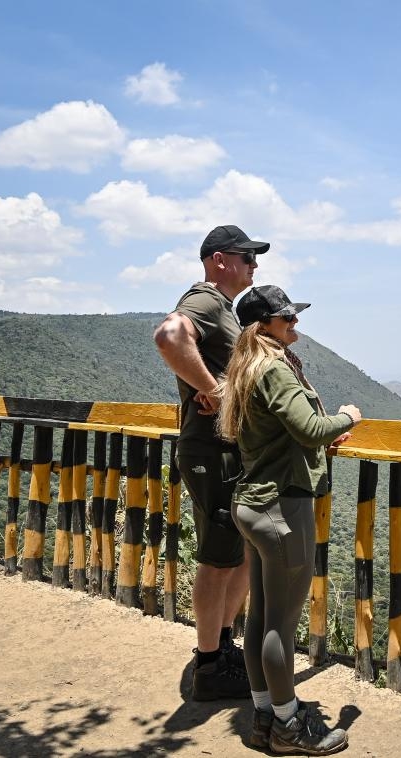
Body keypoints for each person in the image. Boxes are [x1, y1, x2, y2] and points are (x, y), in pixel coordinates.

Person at [217, 284, 361, 755]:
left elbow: (283, 435)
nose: (295, 324)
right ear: (265, 327)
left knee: (260, 617)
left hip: (252, 503)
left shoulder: (244, 368)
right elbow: (310, 428)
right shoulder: (275, 369)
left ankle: (264, 715)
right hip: (283, 509)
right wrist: (346, 417)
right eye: (288, 319)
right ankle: (289, 725)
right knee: (281, 622)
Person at [153, 224, 269, 700]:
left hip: (226, 450)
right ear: (219, 259)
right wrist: (212, 389)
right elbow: (169, 335)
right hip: (210, 451)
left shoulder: (224, 308)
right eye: (247, 258)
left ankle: (221, 648)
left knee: (237, 553)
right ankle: (208, 665)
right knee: (218, 560)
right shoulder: (203, 299)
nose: (254, 266)